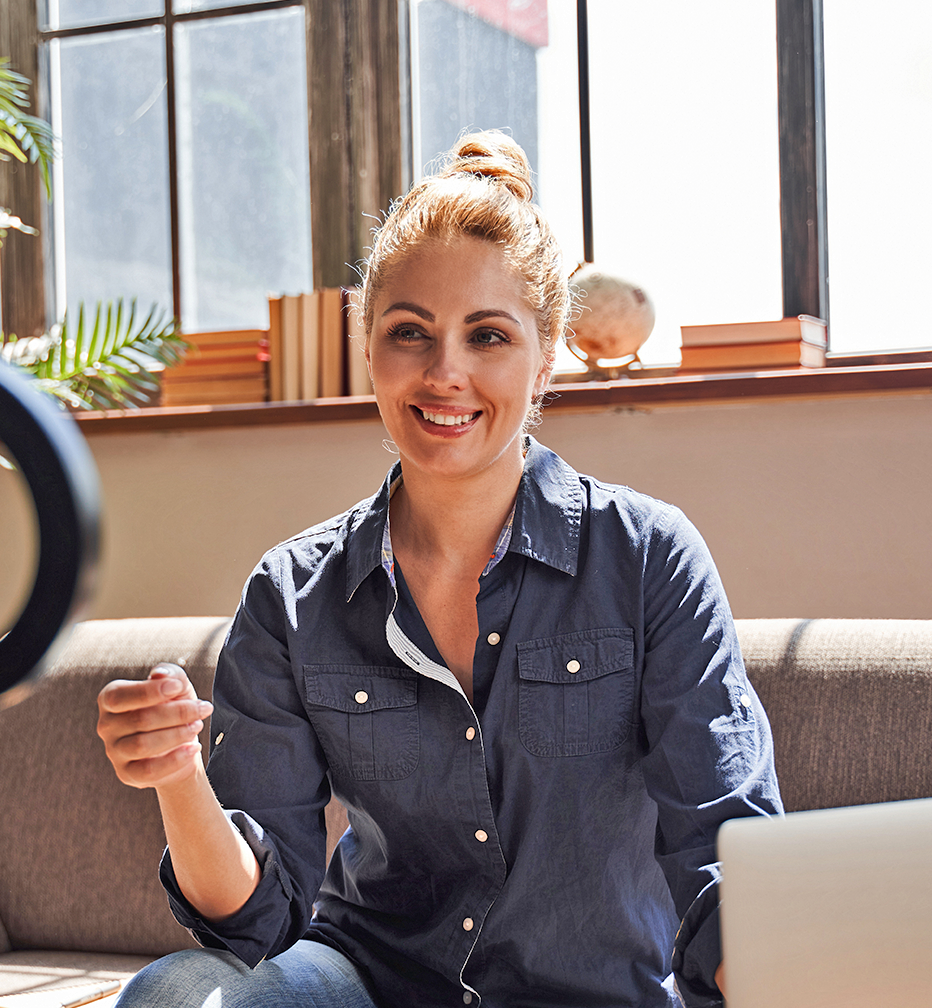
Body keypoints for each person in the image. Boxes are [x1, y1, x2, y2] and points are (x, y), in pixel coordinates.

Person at [96, 132, 781, 1008]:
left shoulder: (648, 558)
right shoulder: (292, 593)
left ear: (545, 356)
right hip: (370, 981)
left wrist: (778, 965)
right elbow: (252, 922)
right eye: (409, 333)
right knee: (176, 995)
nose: (444, 372)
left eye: (487, 335)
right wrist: (177, 776)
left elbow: (724, 848)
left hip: (595, 992)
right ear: (370, 348)